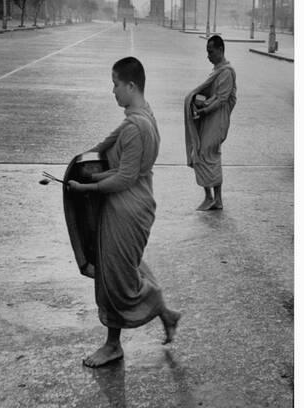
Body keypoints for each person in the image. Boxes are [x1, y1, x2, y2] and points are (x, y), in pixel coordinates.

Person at [68, 57, 181, 368]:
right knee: (113, 272)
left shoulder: (136, 126)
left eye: (116, 84)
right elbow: (105, 148)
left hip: (127, 209)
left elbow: (123, 178)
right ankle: (157, 320)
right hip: (129, 204)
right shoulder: (141, 117)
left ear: (131, 85)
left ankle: (130, 329)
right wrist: (82, 169)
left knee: (117, 281)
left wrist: (85, 188)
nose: (113, 90)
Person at [184, 35, 237, 211]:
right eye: (207, 52)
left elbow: (221, 99)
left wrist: (204, 109)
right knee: (199, 152)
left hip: (217, 120)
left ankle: (216, 199)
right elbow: (211, 95)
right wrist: (197, 100)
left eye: (211, 51)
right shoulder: (217, 71)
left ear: (221, 50)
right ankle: (210, 197)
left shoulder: (227, 72)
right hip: (209, 118)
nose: (208, 55)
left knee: (209, 154)